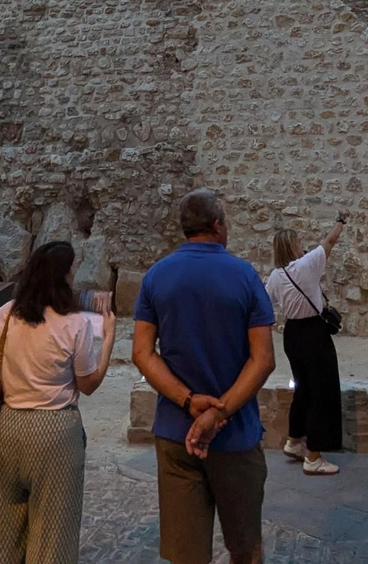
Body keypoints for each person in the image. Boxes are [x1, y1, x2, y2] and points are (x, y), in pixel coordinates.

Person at [133, 189, 276, 564]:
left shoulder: (155, 277)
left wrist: (188, 401)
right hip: (236, 435)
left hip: (176, 432)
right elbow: (263, 360)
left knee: (186, 553)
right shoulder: (246, 276)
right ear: (217, 225)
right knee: (246, 548)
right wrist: (219, 411)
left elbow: (142, 353)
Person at [0, 240, 118, 564]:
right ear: (63, 276)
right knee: (52, 537)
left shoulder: (10, 314)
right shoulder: (75, 324)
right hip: (56, 431)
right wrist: (109, 343)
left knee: (3, 532)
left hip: (9, 426)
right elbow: (88, 384)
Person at [265, 216, 345, 477]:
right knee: (322, 391)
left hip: (292, 334)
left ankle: (294, 440)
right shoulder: (307, 265)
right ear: (292, 246)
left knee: (303, 389)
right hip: (313, 332)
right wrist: (340, 221)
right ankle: (313, 456)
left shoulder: (276, 276)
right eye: (299, 241)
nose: (303, 244)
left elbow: (266, 302)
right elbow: (330, 241)